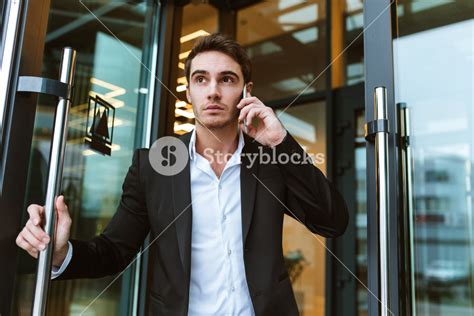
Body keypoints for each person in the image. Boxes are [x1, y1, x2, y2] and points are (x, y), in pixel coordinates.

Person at [16, 33, 348, 315]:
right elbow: (115, 250)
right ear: (188, 91)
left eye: (227, 79)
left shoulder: (271, 160)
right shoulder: (154, 165)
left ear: (247, 91)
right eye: (201, 79)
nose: (213, 91)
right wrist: (60, 253)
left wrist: (280, 141)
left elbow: (331, 221)